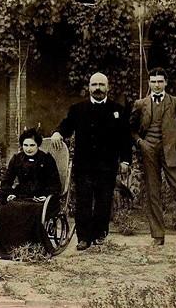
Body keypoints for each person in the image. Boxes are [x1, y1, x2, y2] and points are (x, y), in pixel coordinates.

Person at [51, 72, 131, 251]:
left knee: (104, 200)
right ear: (89, 88)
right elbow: (66, 125)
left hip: (107, 165)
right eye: (94, 85)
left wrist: (125, 160)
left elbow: (125, 138)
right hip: (84, 165)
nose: (98, 88)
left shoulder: (118, 110)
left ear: (108, 87)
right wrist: (58, 133)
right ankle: (84, 238)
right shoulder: (78, 109)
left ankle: (100, 234)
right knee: (83, 201)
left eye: (101, 85)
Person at [0, 128, 61, 259]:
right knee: (3, 212)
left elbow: (55, 183)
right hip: (21, 195)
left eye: (32, 145)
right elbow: (6, 180)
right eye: (25, 145)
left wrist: (46, 196)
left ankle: (31, 248)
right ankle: (11, 248)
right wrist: (9, 193)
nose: (28, 149)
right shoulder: (17, 159)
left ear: (38, 145)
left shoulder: (46, 159)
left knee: (33, 211)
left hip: (41, 197)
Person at [130, 67, 176, 246]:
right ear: (149, 83)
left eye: (160, 81)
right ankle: (158, 235)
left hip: (171, 151)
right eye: (153, 82)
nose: (157, 85)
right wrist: (140, 143)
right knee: (153, 192)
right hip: (149, 151)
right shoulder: (140, 104)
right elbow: (131, 129)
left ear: (166, 83)